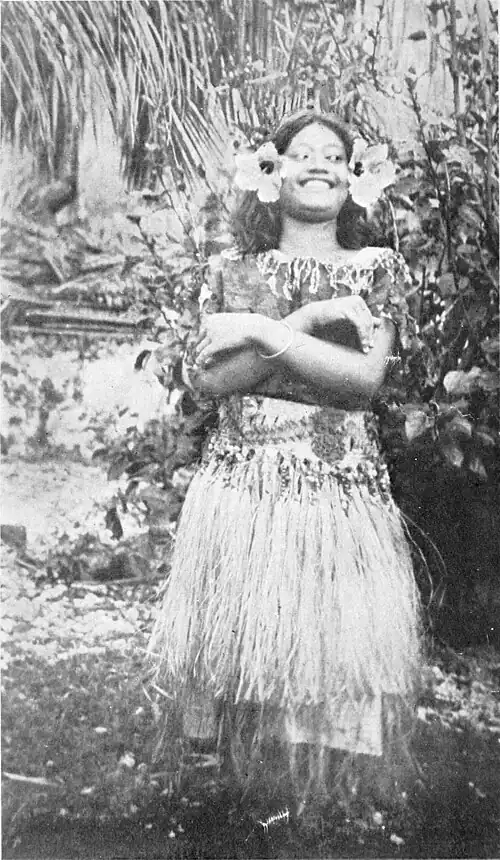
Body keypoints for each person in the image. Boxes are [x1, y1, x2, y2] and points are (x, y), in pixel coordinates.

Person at [148, 110, 422, 818]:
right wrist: (299, 325)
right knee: (245, 655)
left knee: (328, 660)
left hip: (336, 492)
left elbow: (361, 380)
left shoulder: (377, 270)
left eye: (336, 156)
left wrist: (260, 332)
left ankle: (320, 808)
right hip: (242, 493)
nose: (320, 166)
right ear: (269, 172)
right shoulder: (228, 272)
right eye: (301, 154)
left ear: (357, 178)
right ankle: (239, 802)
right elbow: (210, 380)